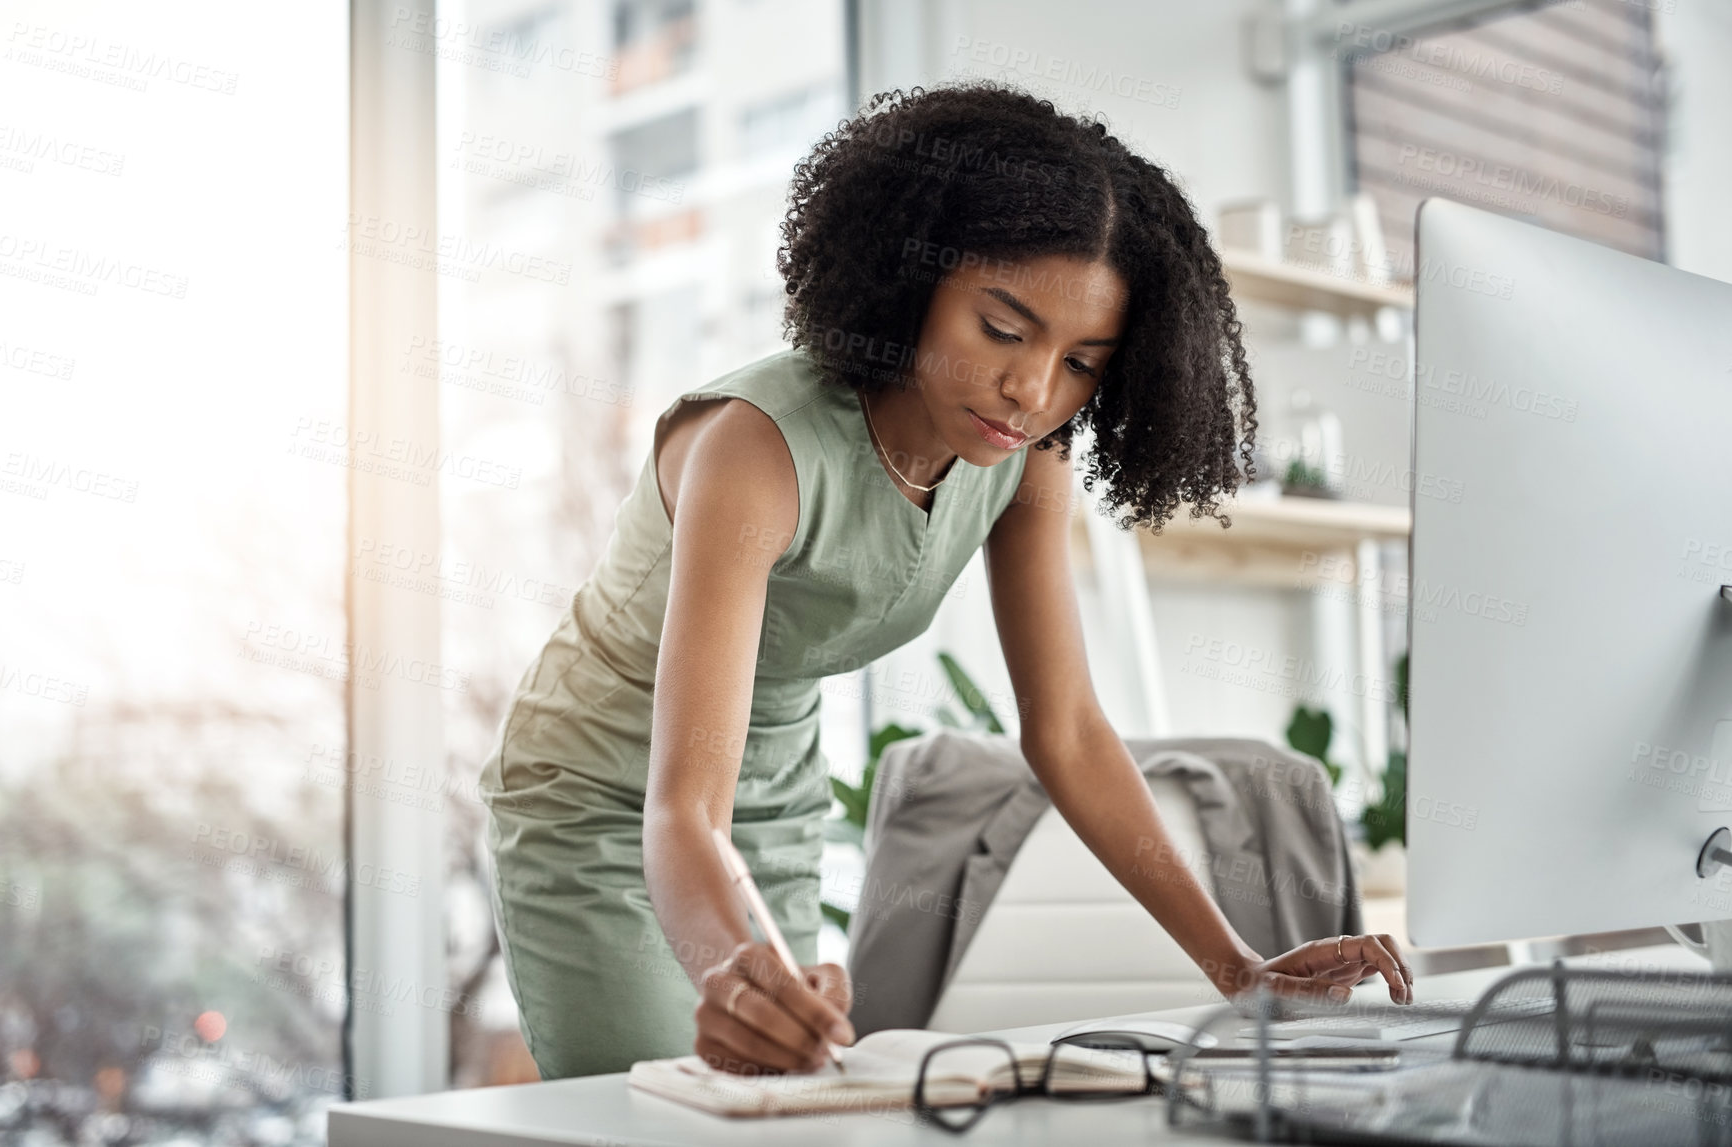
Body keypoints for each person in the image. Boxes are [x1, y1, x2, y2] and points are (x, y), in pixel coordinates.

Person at [477, 80, 1414, 1081]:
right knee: (658, 1107)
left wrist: (1239, 969)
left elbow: (1068, 733)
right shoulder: (754, 452)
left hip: (768, 804)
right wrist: (728, 973)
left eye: (1082, 362)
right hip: (603, 800)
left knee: (776, 1101)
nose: (1033, 389)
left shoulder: (1024, 457)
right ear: (908, 276)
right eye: (1002, 330)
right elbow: (680, 810)